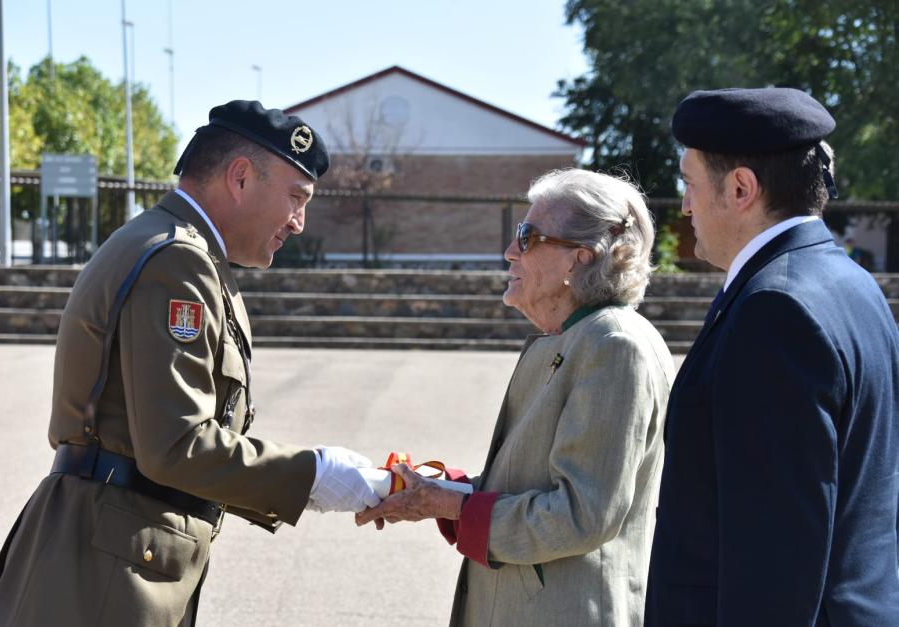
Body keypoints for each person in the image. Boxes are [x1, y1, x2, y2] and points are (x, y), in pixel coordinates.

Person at [0, 101, 379, 626]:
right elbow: (177, 446)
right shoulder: (178, 262)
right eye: (296, 198)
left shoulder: (176, 248)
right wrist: (315, 476)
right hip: (103, 577)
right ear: (239, 178)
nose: (299, 223)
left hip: (105, 555)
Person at [357, 168, 675, 626]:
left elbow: (581, 515)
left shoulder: (614, 345)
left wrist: (448, 504)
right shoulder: (571, 338)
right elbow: (532, 485)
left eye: (527, 237)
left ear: (579, 259)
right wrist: (438, 488)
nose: (509, 251)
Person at [645, 88, 899, 626]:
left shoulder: (774, 310)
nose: (685, 204)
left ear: (741, 188)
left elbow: (775, 556)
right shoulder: (850, 282)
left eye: (689, 183)